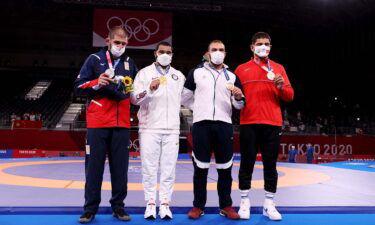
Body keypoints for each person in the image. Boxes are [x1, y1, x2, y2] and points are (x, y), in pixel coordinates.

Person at [74, 26, 138, 224]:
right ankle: (89, 209)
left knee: (120, 169)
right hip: (98, 123)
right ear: (107, 40)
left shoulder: (130, 62)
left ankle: (118, 207)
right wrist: (97, 82)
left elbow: (134, 91)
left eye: (124, 43)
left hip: (121, 124)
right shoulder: (94, 59)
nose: (120, 46)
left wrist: (132, 88)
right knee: (93, 168)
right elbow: (78, 87)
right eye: (117, 42)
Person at [181, 40, 245, 220]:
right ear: (208, 53)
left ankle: (226, 205)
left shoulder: (231, 76)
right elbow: (184, 98)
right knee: (200, 169)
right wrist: (200, 107)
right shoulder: (196, 72)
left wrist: (239, 97)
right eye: (214, 49)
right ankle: (198, 206)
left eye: (221, 50)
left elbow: (238, 105)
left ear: (225, 53)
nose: (218, 52)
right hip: (201, 125)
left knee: (225, 169)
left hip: (224, 125)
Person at [235, 32, 294, 220]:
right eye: (259, 43)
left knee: (270, 165)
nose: (263, 46)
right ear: (252, 47)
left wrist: (281, 87)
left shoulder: (278, 68)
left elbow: (290, 96)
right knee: (246, 164)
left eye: (266, 44)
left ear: (270, 47)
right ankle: (244, 202)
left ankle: (269, 204)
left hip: (272, 123)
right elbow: (235, 99)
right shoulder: (241, 69)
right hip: (248, 122)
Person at [130, 42, 186, 220]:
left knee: (169, 169)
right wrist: (149, 89)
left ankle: (165, 204)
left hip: (172, 129)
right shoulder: (144, 73)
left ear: (172, 55)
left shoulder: (178, 76)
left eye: (168, 52)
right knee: (149, 168)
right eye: (162, 52)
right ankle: (150, 204)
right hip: (149, 128)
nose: (165, 55)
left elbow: (188, 100)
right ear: (155, 53)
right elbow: (133, 98)